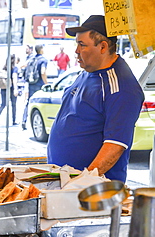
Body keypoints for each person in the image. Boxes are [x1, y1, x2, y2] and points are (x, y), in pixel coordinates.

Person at [47, 15, 144, 182]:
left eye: (82, 45)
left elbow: (115, 146)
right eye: (76, 44)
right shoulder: (87, 72)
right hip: (66, 183)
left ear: (103, 46)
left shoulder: (121, 87)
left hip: (92, 191)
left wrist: (82, 181)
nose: (76, 50)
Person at [21, 44, 48, 130]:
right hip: (39, 83)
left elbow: (23, 66)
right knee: (40, 103)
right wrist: (46, 83)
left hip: (31, 83)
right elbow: (43, 72)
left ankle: (24, 120)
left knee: (29, 101)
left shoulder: (31, 58)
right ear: (41, 50)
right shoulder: (43, 60)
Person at [0, 54, 19, 128]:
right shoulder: (14, 68)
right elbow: (14, 78)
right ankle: (14, 121)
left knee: (3, 104)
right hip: (11, 88)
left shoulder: (4, 68)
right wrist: (15, 89)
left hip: (4, 88)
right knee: (13, 105)